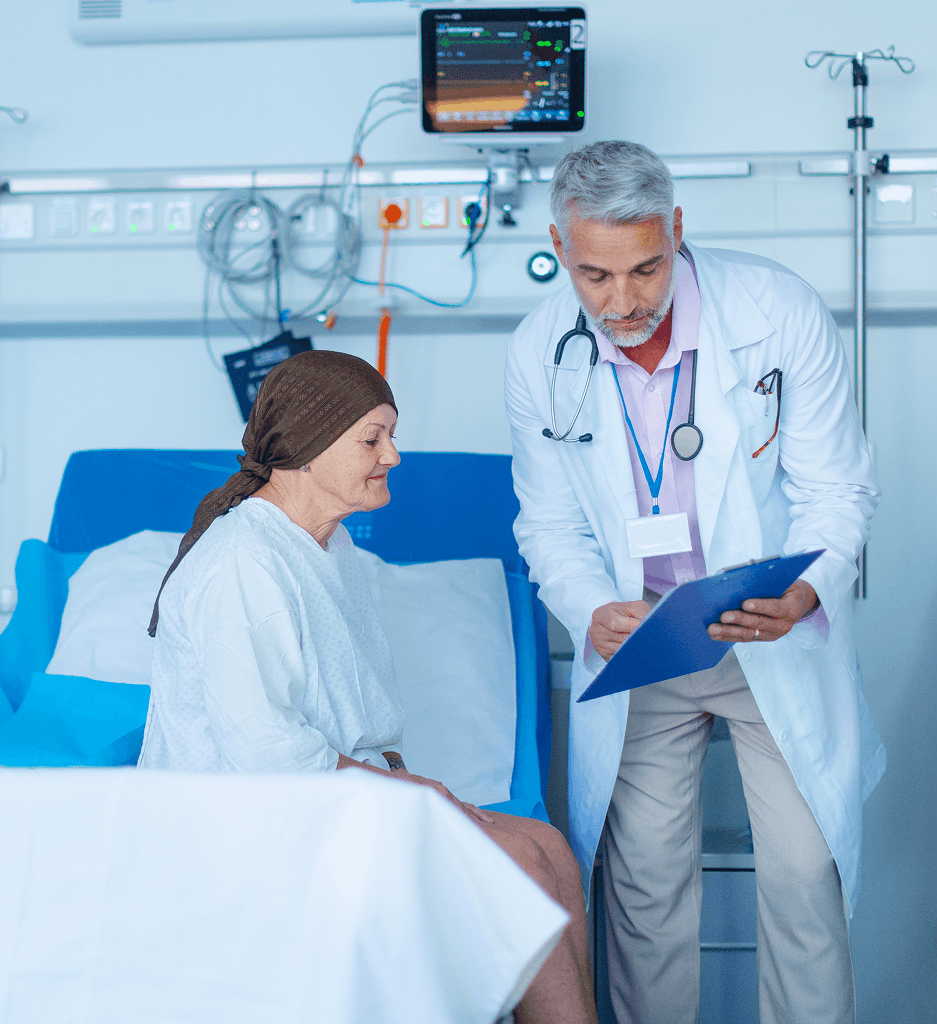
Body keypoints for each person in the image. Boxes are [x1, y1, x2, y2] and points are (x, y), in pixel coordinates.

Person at [504, 141, 884, 1024]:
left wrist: (806, 591)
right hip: (644, 642)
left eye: (646, 268)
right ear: (560, 248)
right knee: (644, 884)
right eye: (595, 275)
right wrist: (591, 608)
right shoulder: (537, 351)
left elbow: (837, 490)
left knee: (804, 872)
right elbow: (548, 526)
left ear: (676, 230)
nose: (623, 302)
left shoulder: (776, 311)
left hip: (766, 627)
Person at [139, 349, 597, 1024]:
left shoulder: (331, 548)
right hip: (253, 826)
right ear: (309, 446)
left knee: (550, 848)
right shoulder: (243, 563)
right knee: (517, 868)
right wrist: (409, 793)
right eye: (372, 439)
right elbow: (263, 753)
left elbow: (356, 707)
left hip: (336, 801)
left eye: (392, 436)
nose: (394, 456)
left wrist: (401, 780)